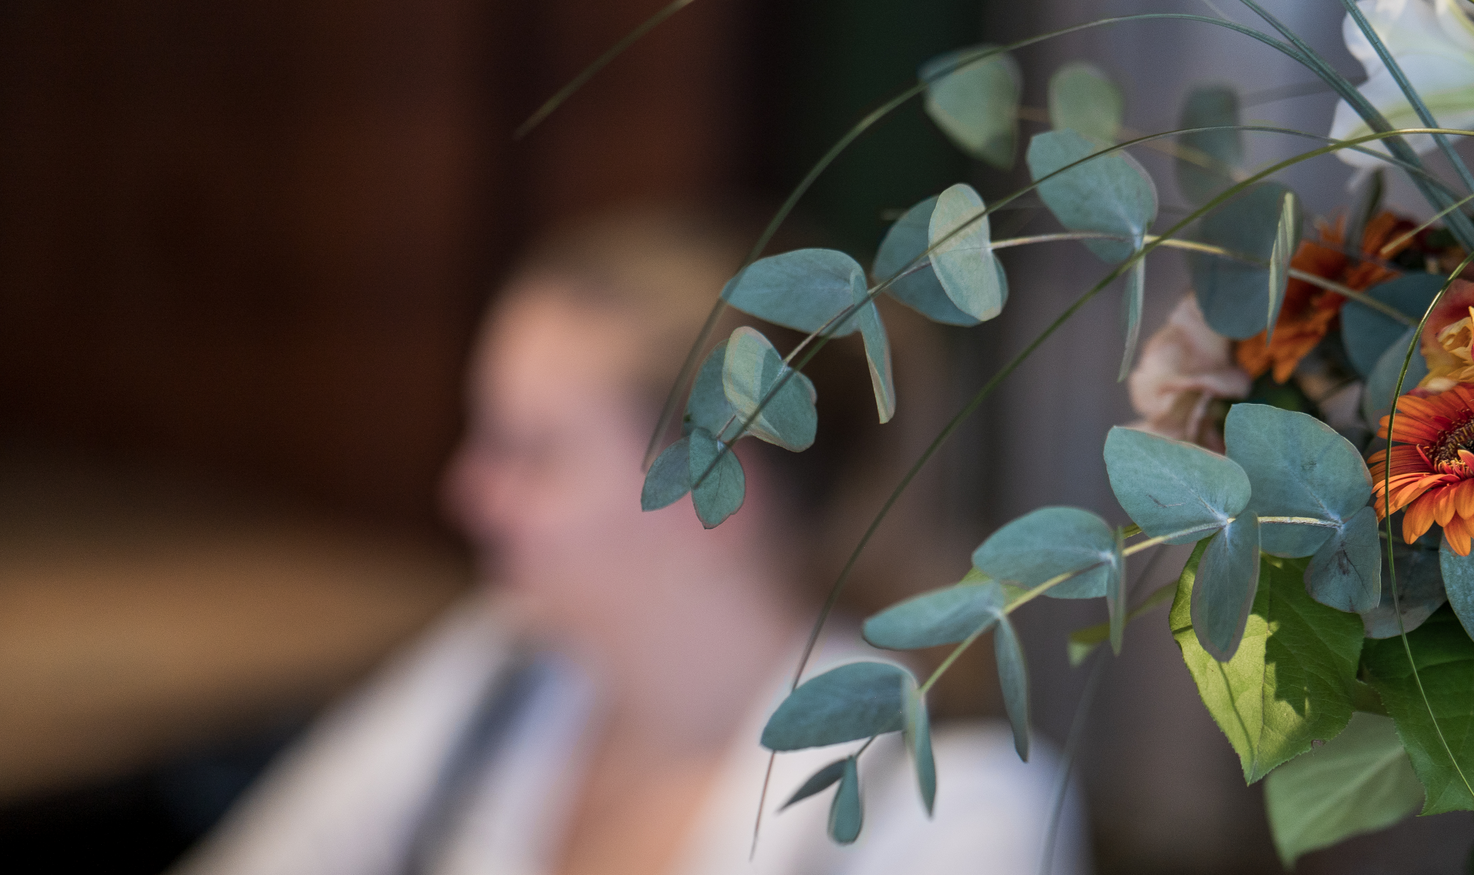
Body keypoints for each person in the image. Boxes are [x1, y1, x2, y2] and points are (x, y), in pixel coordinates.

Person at [170, 207, 1086, 875]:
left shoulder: (950, 808)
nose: (466, 493)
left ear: (714, 492)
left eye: (531, 454)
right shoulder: (495, 673)